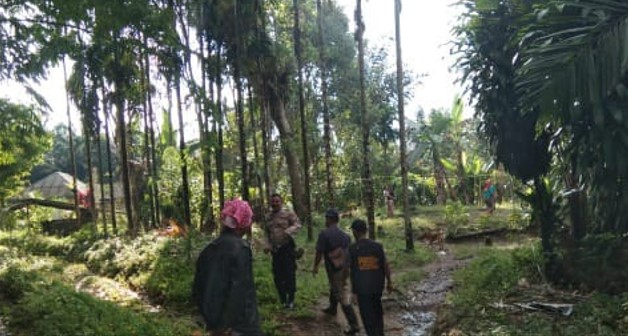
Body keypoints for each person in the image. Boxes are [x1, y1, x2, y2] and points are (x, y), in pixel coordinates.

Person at [192, 199, 262, 336]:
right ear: (242, 223)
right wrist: (226, 326)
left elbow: (197, 289)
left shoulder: (208, 249)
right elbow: (239, 291)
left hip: (214, 322)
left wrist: (212, 322)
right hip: (240, 326)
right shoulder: (241, 249)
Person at [312, 209, 360, 335]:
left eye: (326, 218)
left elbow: (319, 252)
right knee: (336, 287)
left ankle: (354, 324)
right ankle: (332, 308)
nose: (325, 220)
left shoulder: (324, 234)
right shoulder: (346, 235)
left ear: (329, 219)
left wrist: (315, 266)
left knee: (341, 295)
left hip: (334, 268)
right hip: (345, 267)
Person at [349, 219, 393, 336]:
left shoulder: (353, 249)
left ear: (354, 232)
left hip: (363, 291)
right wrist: (389, 282)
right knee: (378, 313)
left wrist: (353, 292)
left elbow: (351, 271)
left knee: (368, 318)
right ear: (366, 230)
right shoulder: (377, 246)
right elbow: (385, 265)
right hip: (377, 288)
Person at [263, 193, 303, 309]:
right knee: (277, 274)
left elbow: (298, 224)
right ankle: (282, 299)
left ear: (281, 202)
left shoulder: (288, 213)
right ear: (270, 203)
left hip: (287, 247)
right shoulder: (268, 216)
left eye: (277, 201)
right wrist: (266, 245)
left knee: (289, 273)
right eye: (273, 201)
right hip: (275, 250)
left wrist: (289, 230)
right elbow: (266, 233)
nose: (275, 203)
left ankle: (291, 299)